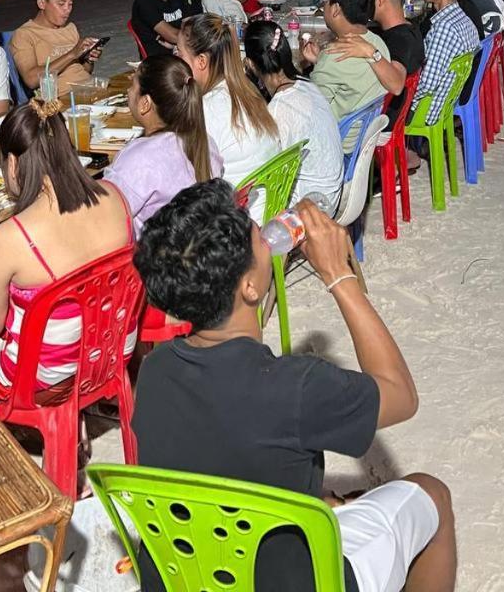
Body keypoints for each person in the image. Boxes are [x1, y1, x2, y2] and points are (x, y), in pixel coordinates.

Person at [132, 180, 456, 592]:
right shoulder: (298, 386)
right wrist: (339, 274)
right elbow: (401, 395)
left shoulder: (156, 371)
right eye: (258, 237)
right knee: (432, 493)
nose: (268, 238)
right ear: (249, 286)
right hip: (294, 582)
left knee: (330, 500)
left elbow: (227, 451)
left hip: (194, 576)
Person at [0, 98, 137, 401]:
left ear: (13, 163)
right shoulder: (116, 197)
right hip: (107, 354)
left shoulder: (12, 237)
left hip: (43, 378)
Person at [103, 54, 223, 235]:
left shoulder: (140, 159)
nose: (128, 92)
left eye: (132, 86)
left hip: (154, 257)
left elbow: (106, 216)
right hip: (198, 249)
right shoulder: (204, 142)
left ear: (145, 103)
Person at [176, 15, 279, 207]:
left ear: (201, 61)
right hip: (268, 206)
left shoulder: (207, 108)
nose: (176, 61)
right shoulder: (248, 91)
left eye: (180, 54)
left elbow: (193, 180)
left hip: (236, 219)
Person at [243, 19, 344, 213]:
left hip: (312, 206)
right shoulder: (306, 85)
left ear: (250, 65)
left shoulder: (279, 110)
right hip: (330, 189)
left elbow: (269, 169)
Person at [327, 0, 423, 129]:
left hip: (378, 120)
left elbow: (397, 84)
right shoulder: (410, 28)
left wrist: (370, 52)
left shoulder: (399, 40)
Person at [301, 0, 388, 147]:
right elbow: (350, 75)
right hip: (365, 139)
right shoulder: (376, 42)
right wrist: (320, 62)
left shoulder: (332, 57)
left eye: (326, 1)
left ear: (336, 9)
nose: (324, 6)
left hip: (340, 146)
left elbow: (312, 114)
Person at [411, 0, 480, 127]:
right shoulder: (463, 19)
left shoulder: (444, 28)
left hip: (427, 111)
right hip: (448, 103)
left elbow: (427, 84)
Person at [10, 0, 102, 98]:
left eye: (70, 4)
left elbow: (84, 71)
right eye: (61, 4)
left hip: (89, 90)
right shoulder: (25, 35)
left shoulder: (70, 28)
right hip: (61, 99)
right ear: (42, 3)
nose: (67, 10)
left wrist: (89, 59)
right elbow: (31, 80)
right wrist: (71, 54)